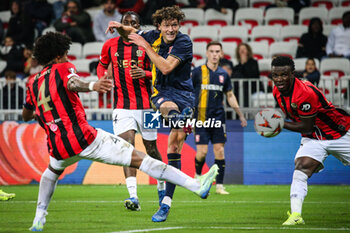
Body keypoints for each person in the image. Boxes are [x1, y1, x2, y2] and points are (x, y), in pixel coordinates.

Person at [23, 32, 218, 232]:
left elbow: (26, 114)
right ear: (57, 56)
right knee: (143, 158)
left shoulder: (32, 82)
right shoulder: (66, 66)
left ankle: (38, 219)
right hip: (94, 131)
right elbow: (73, 82)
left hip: (60, 144)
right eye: (65, 54)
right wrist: (93, 85)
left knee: (51, 173)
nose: (67, 57)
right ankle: (194, 185)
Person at [106, 5, 195, 222]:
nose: (171, 29)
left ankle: (165, 200)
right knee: (163, 107)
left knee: (172, 147)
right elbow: (131, 33)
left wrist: (145, 46)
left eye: (175, 25)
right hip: (160, 95)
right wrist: (118, 26)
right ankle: (156, 202)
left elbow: (165, 68)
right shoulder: (153, 35)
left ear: (179, 25)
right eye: (167, 25)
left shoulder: (183, 42)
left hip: (184, 95)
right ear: (159, 26)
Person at [97, 11, 165, 211]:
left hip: (148, 106)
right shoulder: (110, 45)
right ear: (120, 24)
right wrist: (103, 79)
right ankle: (133, 197)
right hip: (121, 106)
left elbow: (161, 72)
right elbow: (101, 65)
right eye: (125, 22)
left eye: (133, 23)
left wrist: (145, 73)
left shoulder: (148, 44)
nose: (129, 25)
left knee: (151, 149)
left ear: (138, 26)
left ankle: (161, 187)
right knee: (126, 149)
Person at [271, 56, 350, 225]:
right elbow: (302, 123)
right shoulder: (277, 91)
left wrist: (279, 124)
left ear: (293, 74)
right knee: (301, 168)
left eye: (283, 75)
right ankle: (296, 216)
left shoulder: (305, 93)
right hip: (314, 138)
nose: (279, 79)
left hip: (339, 133)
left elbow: (306, 126)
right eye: (275, 75)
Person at [192, 41, 247, 195]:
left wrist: (240, 114)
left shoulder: (223, 74)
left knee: (220, 151)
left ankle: (219, 186)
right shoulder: (197, 72)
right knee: (202, 152)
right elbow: (189, 92)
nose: (215, 54)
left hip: (218, 119)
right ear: (207, 53)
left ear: (221, 54)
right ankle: (197, 176)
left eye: (217, 51)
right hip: (201, 119)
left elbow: (230, 95)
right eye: (212, 51)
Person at [232, 42, 261, 107]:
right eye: (240, 49)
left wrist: (244, 63)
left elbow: (251, 75)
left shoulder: (254, 63)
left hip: (252, 87)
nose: (242, 51)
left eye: (244, 49)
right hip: (239, 89)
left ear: (248, 51)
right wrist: (242, 64)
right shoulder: (236, 67)